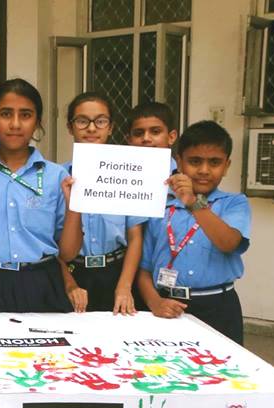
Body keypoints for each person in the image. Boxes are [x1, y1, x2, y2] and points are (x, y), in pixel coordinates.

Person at [0, 78, 81, 313]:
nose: (15, 124)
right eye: (6, 114)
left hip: (43, 282)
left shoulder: (57, 176)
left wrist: (74, 205)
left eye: (25, 115)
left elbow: (68, 253)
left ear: (37, 122)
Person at [138, 120, 250, 345]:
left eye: (215, 162)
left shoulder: (234, 203)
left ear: (227, 165)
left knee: (220, 374)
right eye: (195, 161)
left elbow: (228, 242)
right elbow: (143, 270)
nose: (204, 170)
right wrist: (154, 302)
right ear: (179, 161)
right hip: (165, 305)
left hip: (217, 306)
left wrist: (193, 202)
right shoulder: (159, 206)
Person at [61, 91, 144, 314]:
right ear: (70, 127)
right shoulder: (58, 177)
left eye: (100, 121)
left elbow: (135, 237)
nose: (91, 128)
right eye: (82, 121)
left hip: (117, 273)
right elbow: (50, 244)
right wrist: (70, 284)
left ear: (111, 127)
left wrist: (125, 287)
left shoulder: (127, 173)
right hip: (73, 273)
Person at [127, 101, 179, 173]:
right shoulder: (118, 173)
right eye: (138, 133)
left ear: (171, 137)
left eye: (155, 132)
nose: (146, 138)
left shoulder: (186, 175)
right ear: (129, 140)